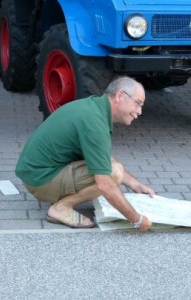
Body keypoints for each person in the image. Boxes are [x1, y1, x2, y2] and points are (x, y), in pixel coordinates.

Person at [15, 76, 155, 231]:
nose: (139, 111)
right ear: (120, 96)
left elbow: (100, 156)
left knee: (113, 167)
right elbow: (105, 184)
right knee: (113, 173)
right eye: (138, 104)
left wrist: (135, 185)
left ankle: (61, 198)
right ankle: (60, 208)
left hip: (37, 173)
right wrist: (136, 220)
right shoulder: (95, 123)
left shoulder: (94, 108)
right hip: (40, 180)